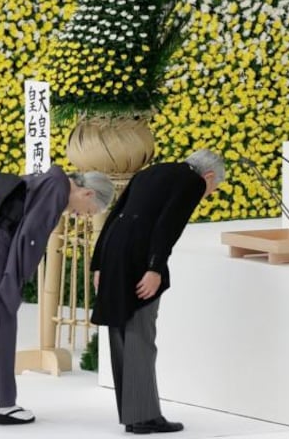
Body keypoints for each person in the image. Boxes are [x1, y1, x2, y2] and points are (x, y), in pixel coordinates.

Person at [0, 165, 114, 425]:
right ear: (88, 193)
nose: (80, 216)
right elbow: (31, 237)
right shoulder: (57, 188)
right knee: (1, 322)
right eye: (88, 212)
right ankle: (2, 405)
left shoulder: (51, 180)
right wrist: (14, 280)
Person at [91, 149, 226, 434]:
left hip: (114, 249)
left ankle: (134, 415)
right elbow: (168, 226)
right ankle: (144, 417)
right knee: (140, 332)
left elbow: (115, 214)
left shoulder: (150, 172)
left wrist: (99, 263)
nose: (208, 194)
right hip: (139, 256)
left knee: (120, 330)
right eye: (212, 188)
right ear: (208, 176)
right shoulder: (192, 182)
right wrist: (154, 268)